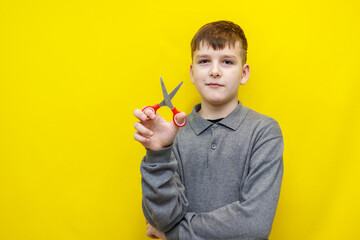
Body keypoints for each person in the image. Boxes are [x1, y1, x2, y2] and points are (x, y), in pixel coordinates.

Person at [133, 20, 284, 240]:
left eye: (227, 62)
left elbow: (254, 224)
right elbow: (162, 218)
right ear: (192, 73)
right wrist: (158, 152)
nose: (214, 71)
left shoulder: (264, 132)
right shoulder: (172, 134)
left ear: (244, 73)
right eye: (204, 61)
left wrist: (174, 233)